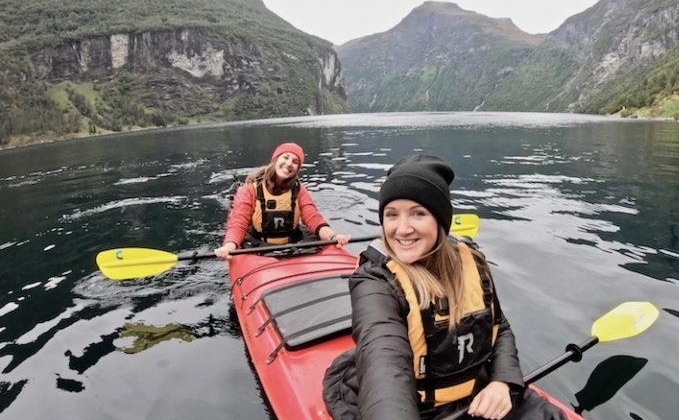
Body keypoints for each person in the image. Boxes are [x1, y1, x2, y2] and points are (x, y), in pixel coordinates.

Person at [322, 154, 566, 420]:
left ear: (440, 220)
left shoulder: (472, 261)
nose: (402, 229)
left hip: (479, 392)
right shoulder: (374, 282)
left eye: (418, 213)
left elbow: (500, 329)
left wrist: (503, 381)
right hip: (417, 407)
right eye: (392, 215)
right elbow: (384, 364)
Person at [215, 142, 351, 259]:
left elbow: (313, 217)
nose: (289, 164)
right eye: (285, 158)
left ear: (298, 168)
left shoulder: (299, 189)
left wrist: (333, 237)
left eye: (295, 161)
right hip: (258, 245)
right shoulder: (249, 189)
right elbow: (238, 223)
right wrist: (229, 246)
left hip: (292, 243)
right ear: (275, 160)